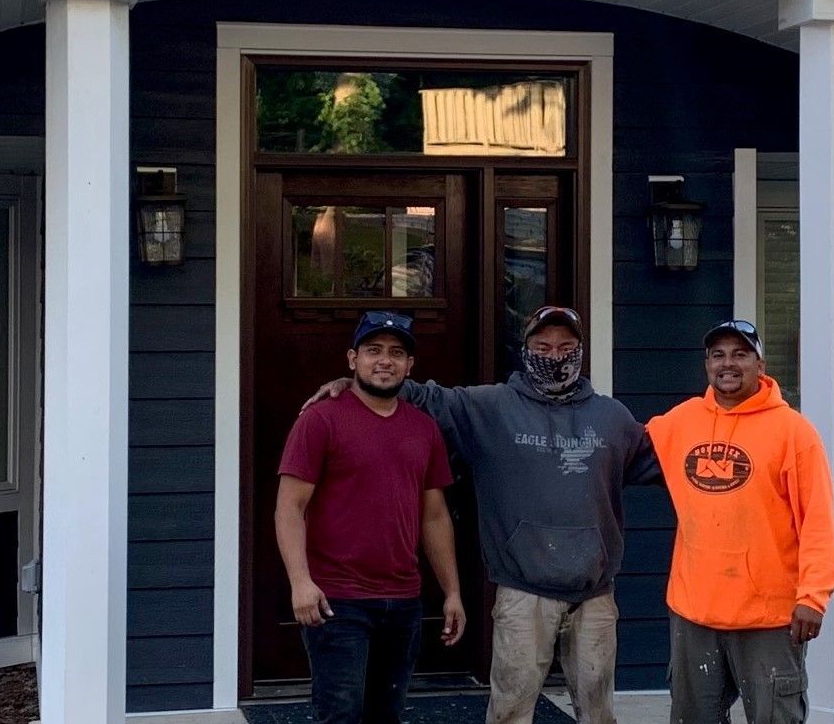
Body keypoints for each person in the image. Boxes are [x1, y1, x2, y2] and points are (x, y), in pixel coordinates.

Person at [307, 304, 658, 724]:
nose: (555, 355)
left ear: (580, 352)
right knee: (510, 712)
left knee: (598, 714)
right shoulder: (488, 407)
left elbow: (672, 461)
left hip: (596, 592)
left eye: (566, 347)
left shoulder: (613, 417)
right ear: (525, 350)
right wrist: (355, 384)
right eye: (543, 347)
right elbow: (420, 394)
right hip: (522, 589)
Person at [276, 310, 465, 724]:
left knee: (387, 715)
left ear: (409, 366)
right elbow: (289, 508)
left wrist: (451, 591)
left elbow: (434, 516)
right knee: (341, 715)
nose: (385, 360)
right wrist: (300, 582)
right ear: (352, 358)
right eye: (373, 350)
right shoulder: (320, 420)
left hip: (402, 601)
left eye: (397, 353)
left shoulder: (424, 428)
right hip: (336, 601)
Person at [645, 320, 834, 724]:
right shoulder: (681, 421)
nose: (727, 364)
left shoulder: (794, 433)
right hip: (693, 610)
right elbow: (617, 448)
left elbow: (818, 519)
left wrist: (813, 596)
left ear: (760, 365)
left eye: (740, 354)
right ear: (707, 365)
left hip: (767, 616)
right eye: (718, 355)